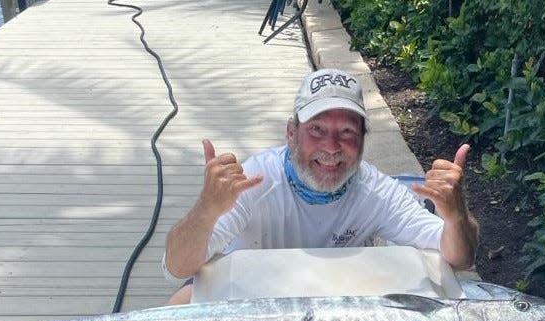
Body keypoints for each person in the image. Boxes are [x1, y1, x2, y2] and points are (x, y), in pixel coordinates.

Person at [164, 68, 478, 304]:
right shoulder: (253, 181)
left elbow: (458, 258)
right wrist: (206, 208)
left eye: (346, 132)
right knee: (178, 304)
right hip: (253, 300)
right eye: (316, 129)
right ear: (291, 133)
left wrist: (456, 216)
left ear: (362, 141)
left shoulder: (377, 191)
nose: (331, 146)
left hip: (337, 303)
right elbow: (179, 267)